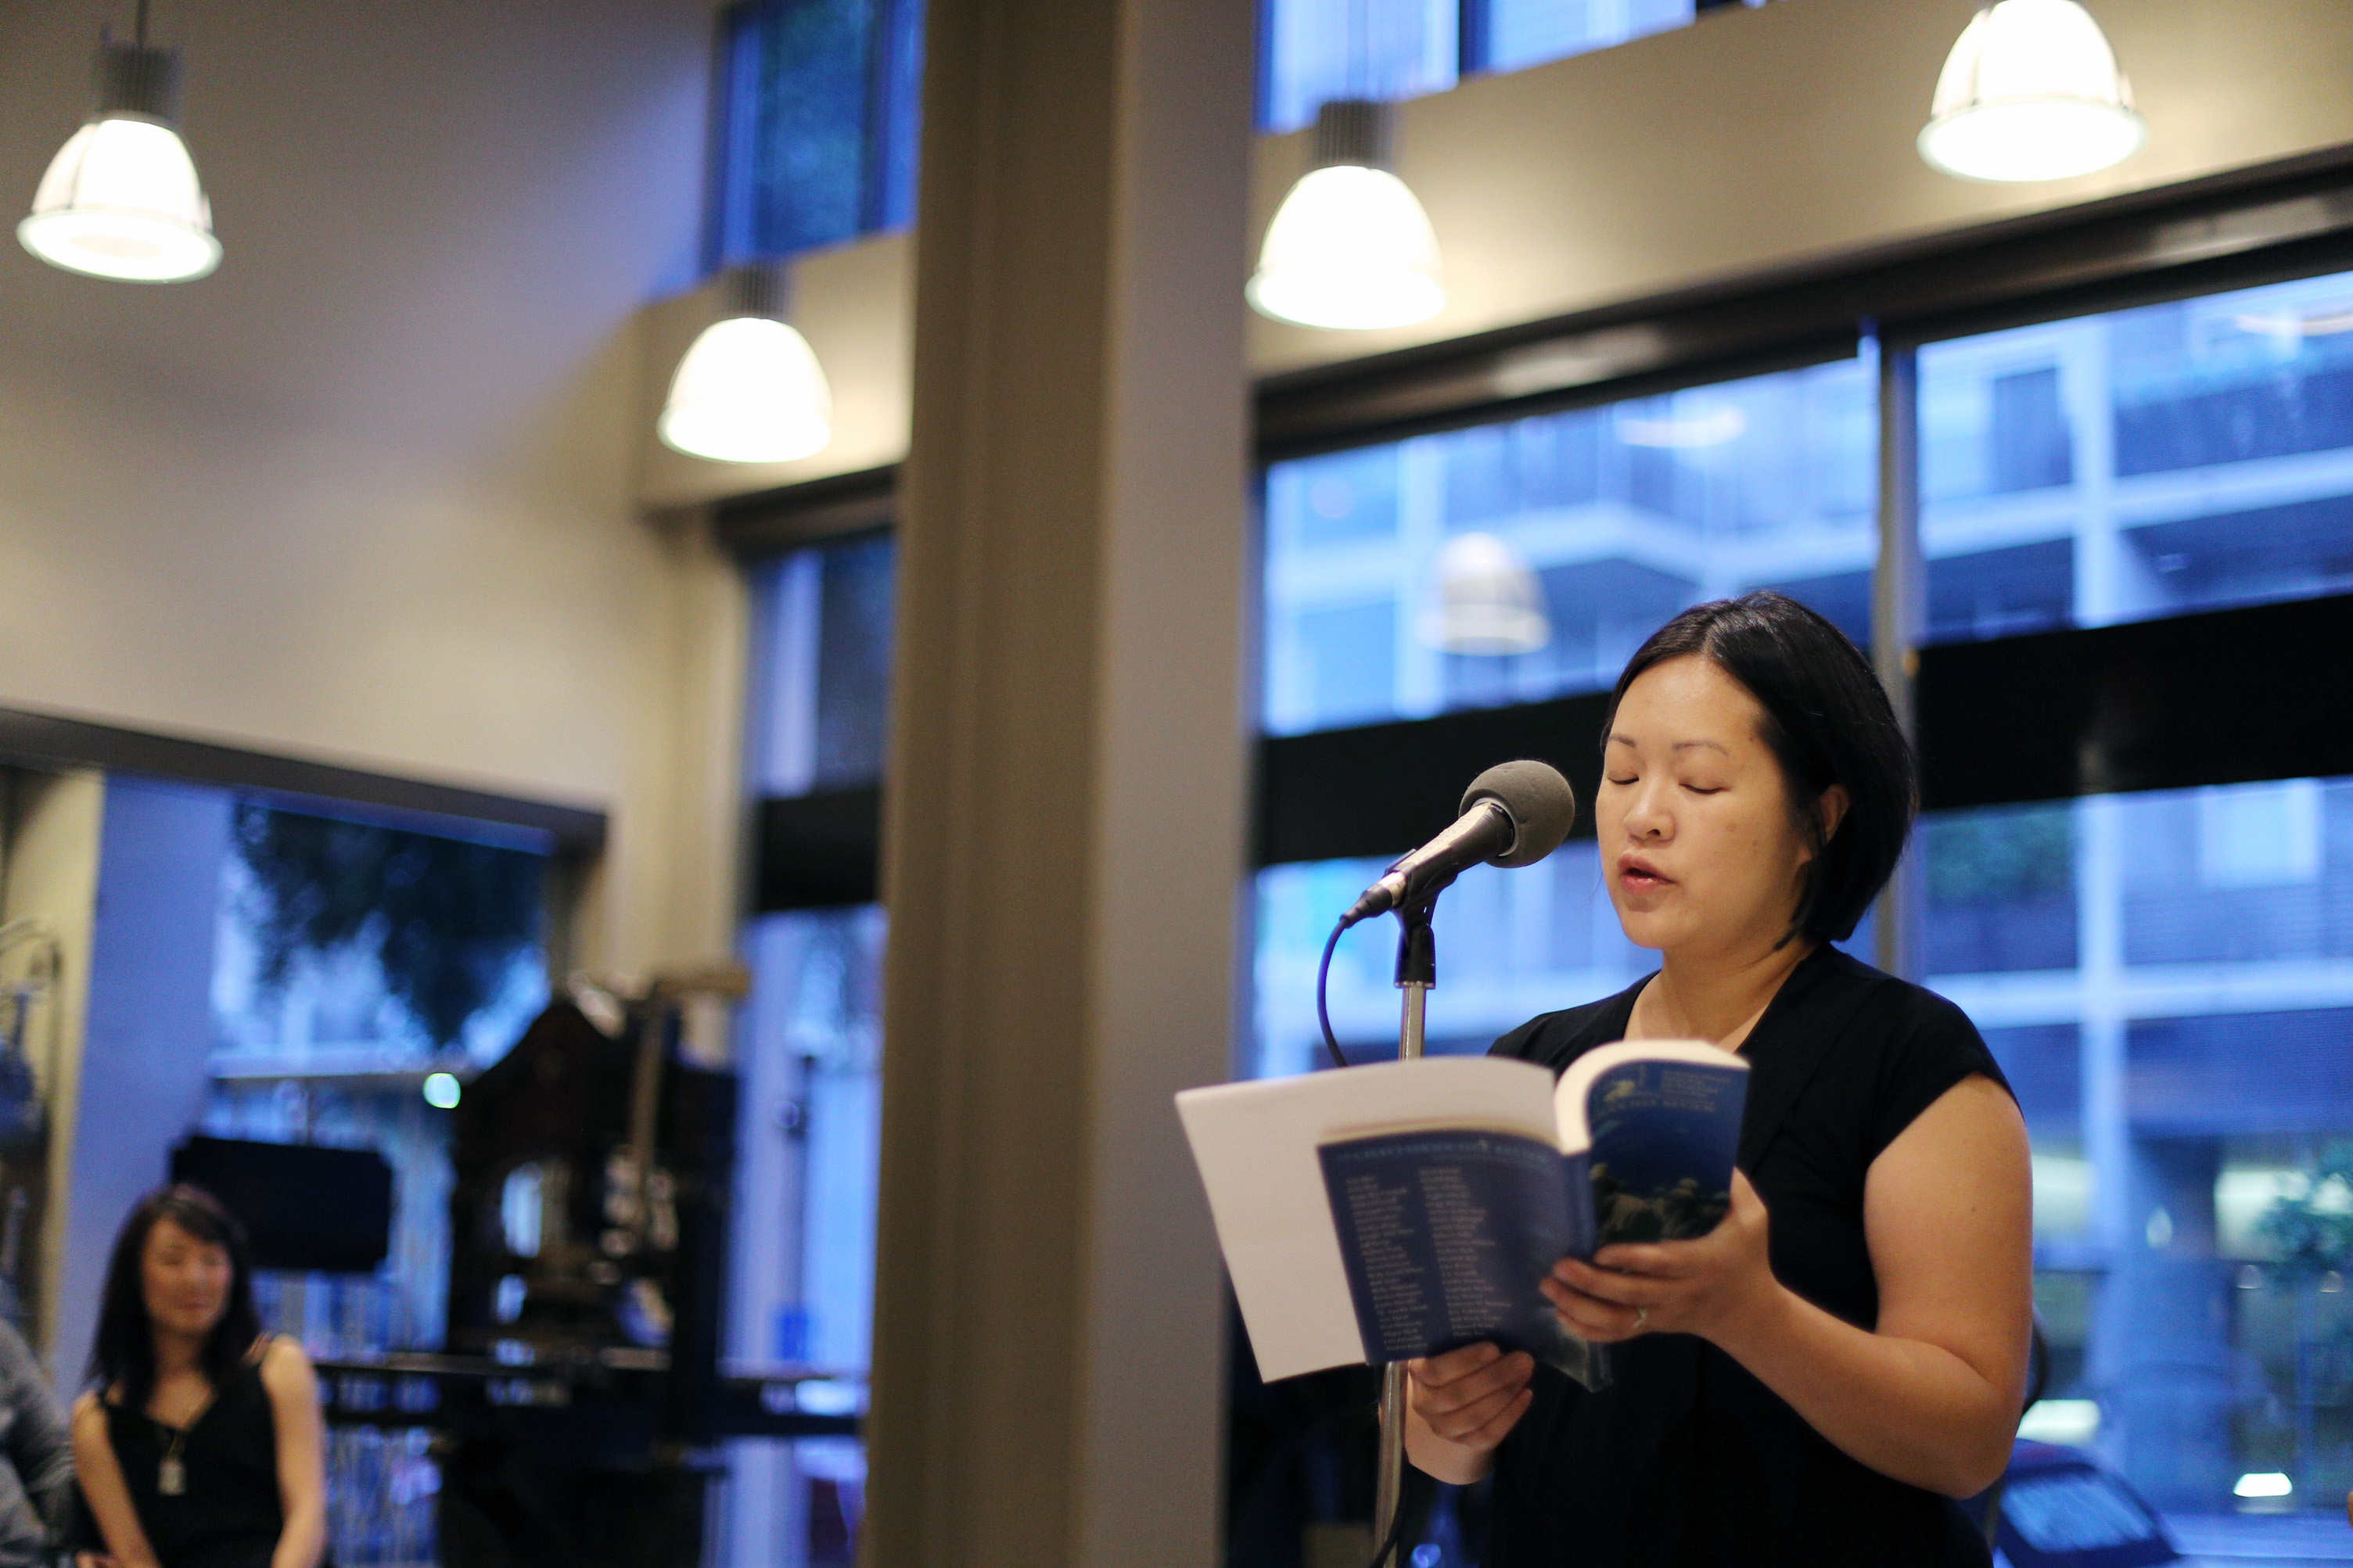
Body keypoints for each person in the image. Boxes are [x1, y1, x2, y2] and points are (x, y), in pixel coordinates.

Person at [1405, 592, 2034, 1566]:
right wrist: (1442, 1411)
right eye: (1619, 774)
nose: (1641, 816)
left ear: (1814, 822)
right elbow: (1452, 1455)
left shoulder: (1907, 1058)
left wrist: (1753, 1315)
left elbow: (1966, 1443)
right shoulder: (1531, 1062)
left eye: (1696, 784)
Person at [72, 1186, 325, 1568]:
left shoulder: (279, 1366)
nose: (196, 1278)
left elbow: (307, 1514)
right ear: (134, 1276)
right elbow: (134, 1557)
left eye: (212, 1260)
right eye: (173, 1260)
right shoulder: (97, 1421)